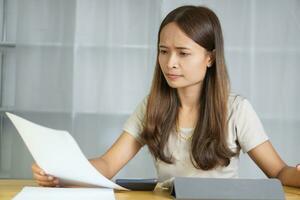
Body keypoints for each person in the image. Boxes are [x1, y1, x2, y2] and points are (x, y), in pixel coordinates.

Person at [32, 5, 300, 188]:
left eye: (183, 53)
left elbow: (278, 172)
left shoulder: (236, 109)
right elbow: (108, 163)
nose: (170, 62)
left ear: (210, 58)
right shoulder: (152, 107)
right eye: (163, 51)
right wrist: (61, 173)